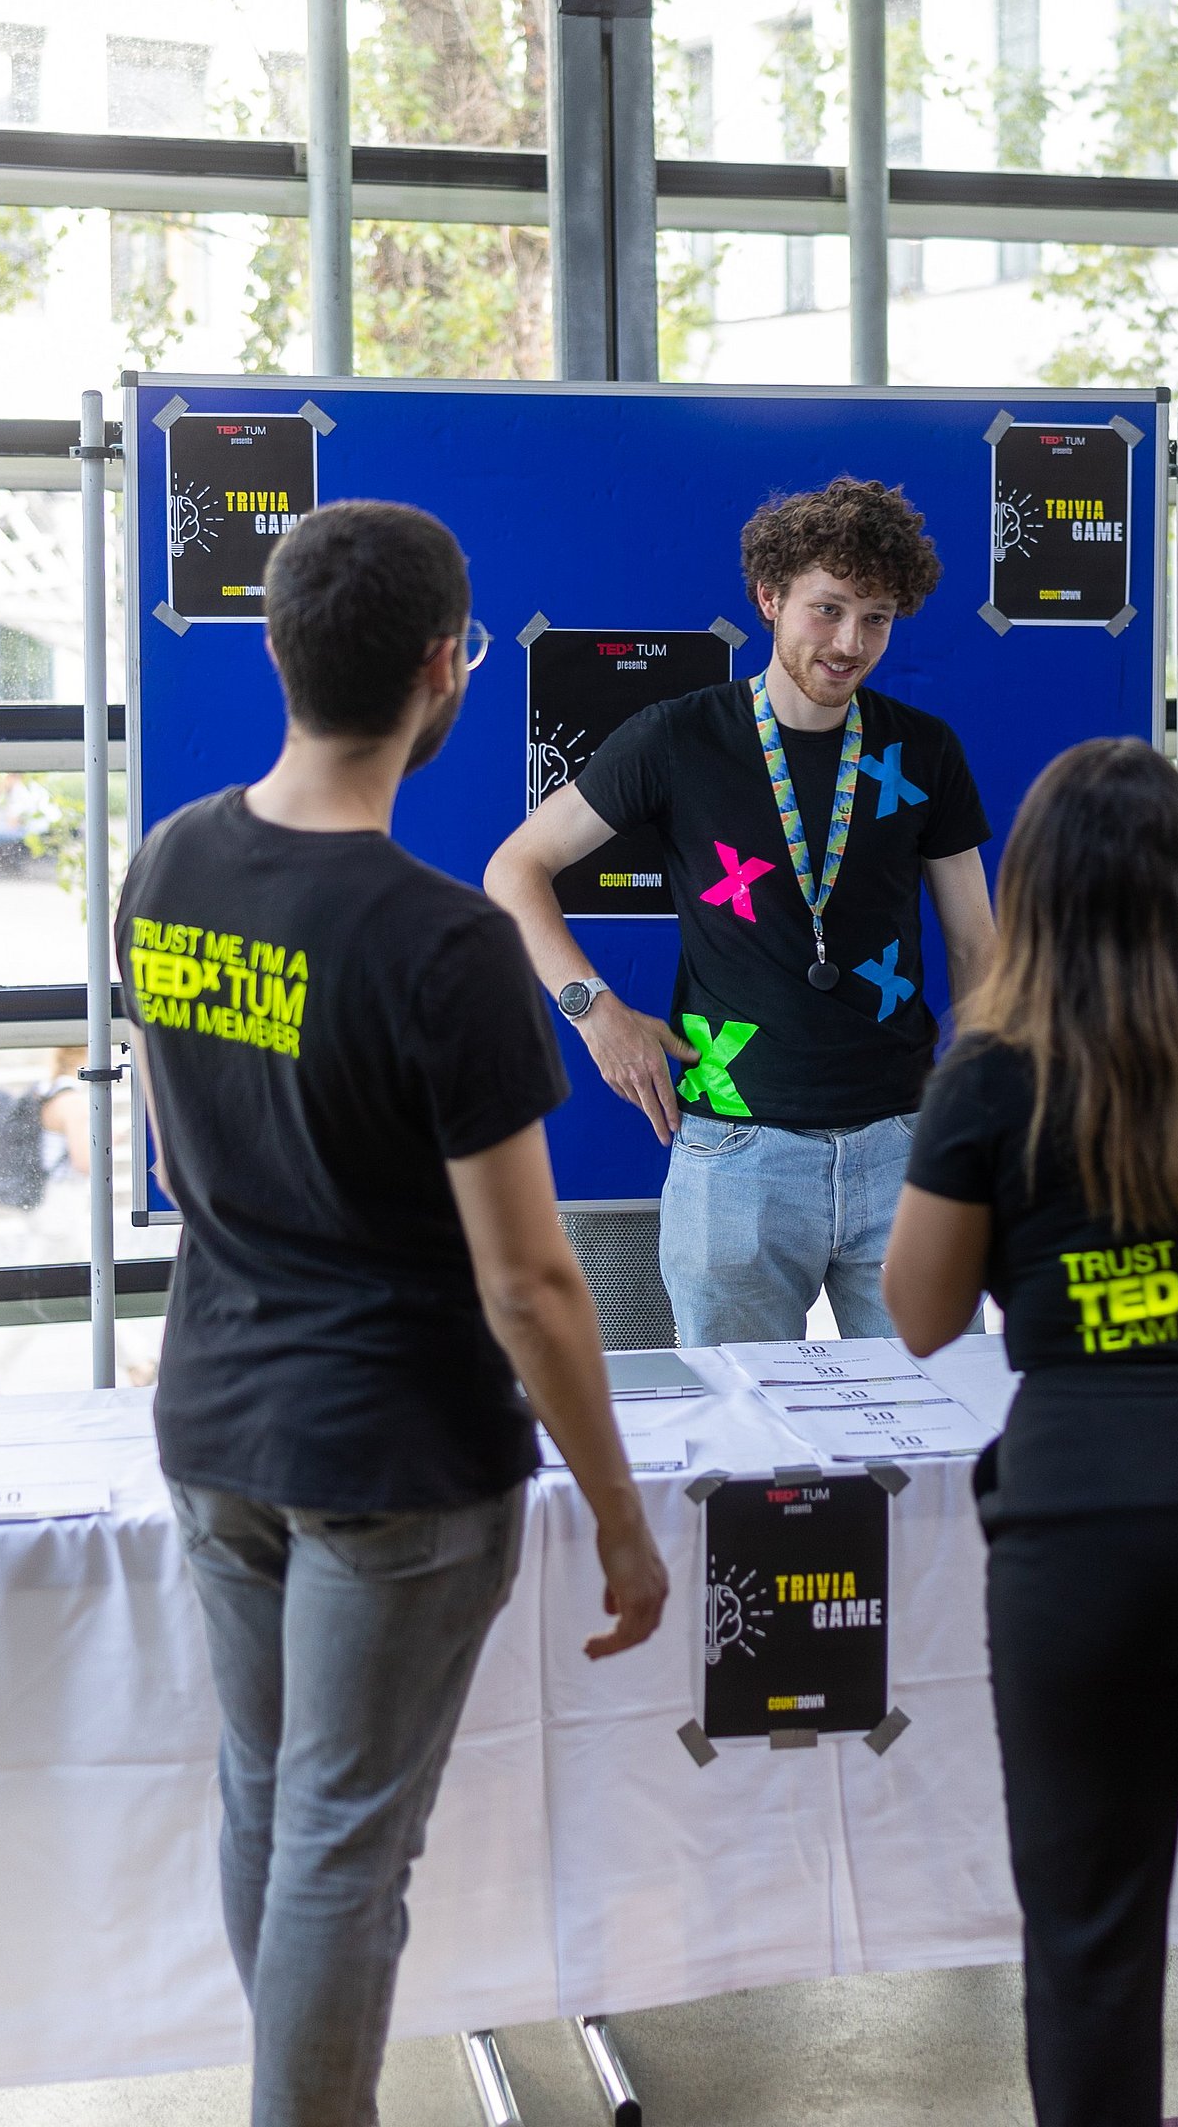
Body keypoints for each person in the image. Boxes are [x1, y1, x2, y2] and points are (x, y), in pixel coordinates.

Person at [114, 498, 668, 2127]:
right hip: (393, 1465)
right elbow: (530, 1282)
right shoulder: (443, 945)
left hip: (219, 1424)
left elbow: (170, 1148)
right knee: (341, 1846)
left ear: (281, 652)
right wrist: (624, 1521)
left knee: (273, 1807)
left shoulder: (173, 861)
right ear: (443, 673)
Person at [883, 738, 1178, 2127]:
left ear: (1032, 886)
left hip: (1094, 1512)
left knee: (1092, 1930)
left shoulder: (994, 1070)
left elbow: (917, 1313)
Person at [485, 476, 997, 1344]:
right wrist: (592, 1009)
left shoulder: (924, 750)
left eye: (876, 618)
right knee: (743, 1458)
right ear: (769, 598)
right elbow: (514, 867)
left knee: (937, 1435)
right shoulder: (678, 738)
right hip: (735, 1154)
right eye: (827, 610)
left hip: (903, 1145)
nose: (851, 644)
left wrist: (983, 1101)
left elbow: (978, 949)